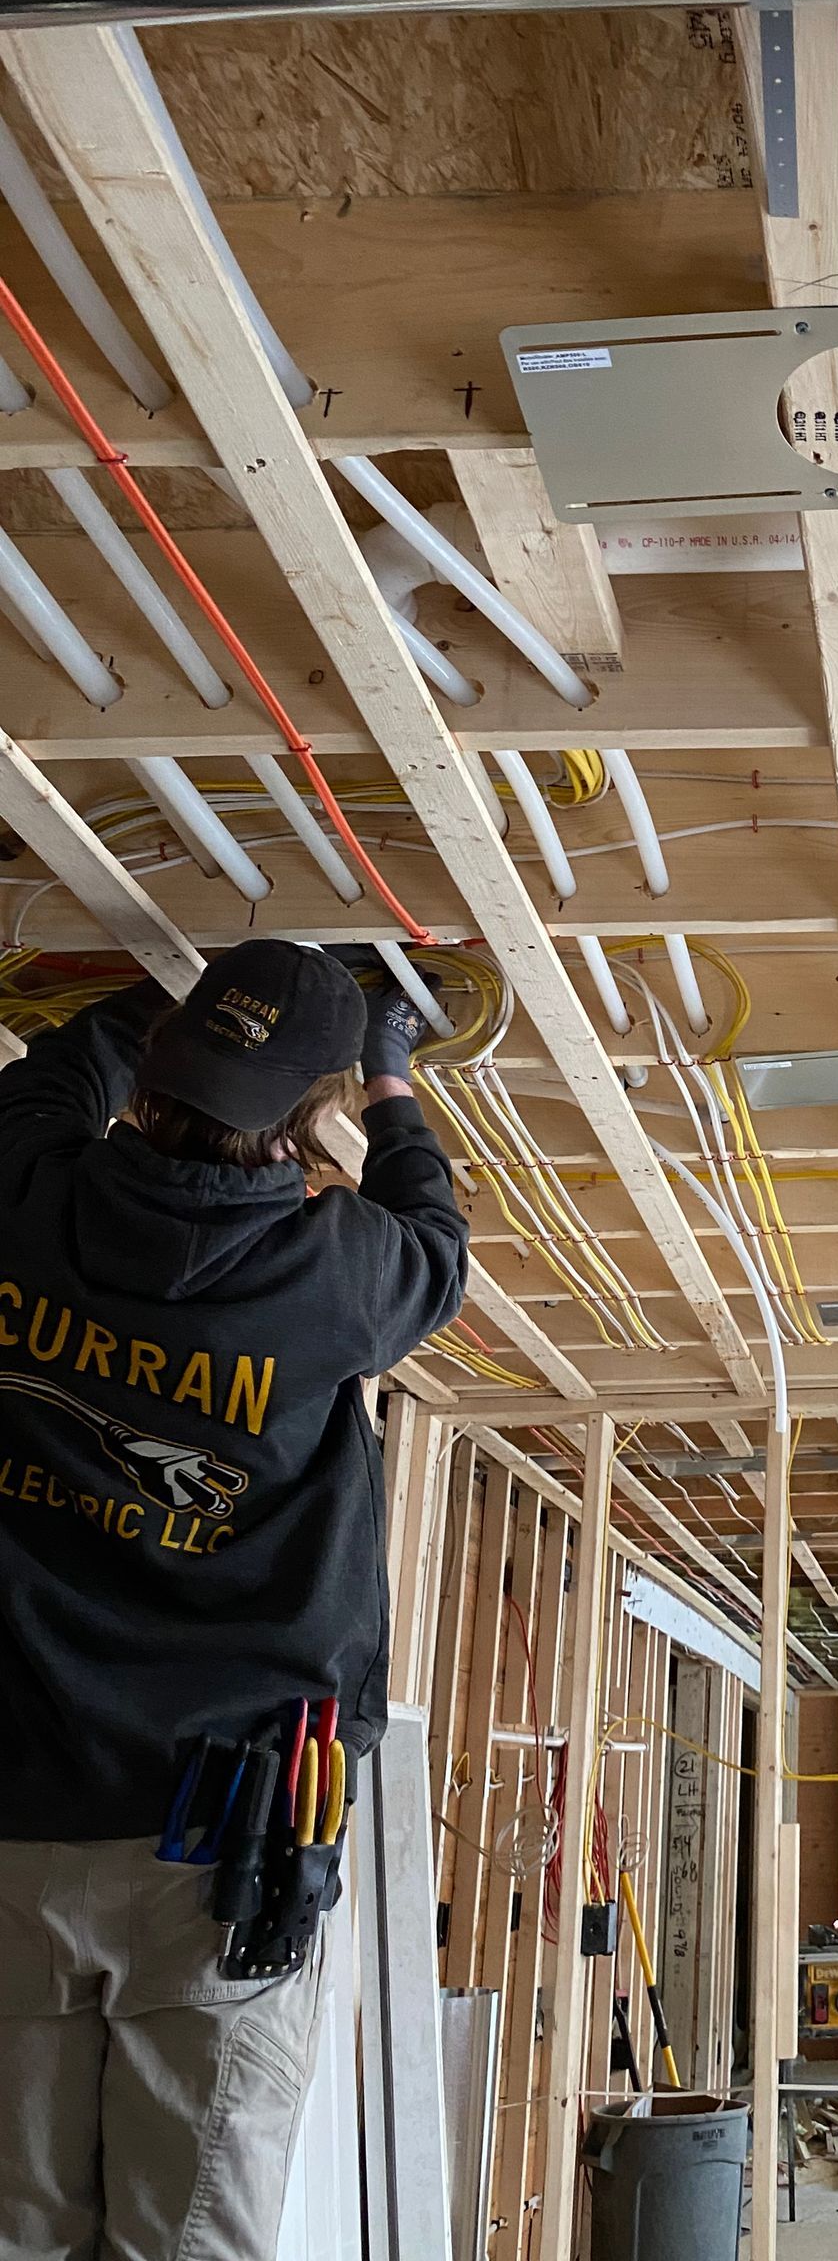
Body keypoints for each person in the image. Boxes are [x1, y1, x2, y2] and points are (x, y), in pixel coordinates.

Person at [0, 938, 468, 2261]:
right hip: (228, 1841)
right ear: (306, 1117)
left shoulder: (25, 1197)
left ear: (153, 1072)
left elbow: (42, 1082)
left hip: (26, 1818)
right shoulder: (333, 1275)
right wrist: (394, 1078)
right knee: (190, 2235)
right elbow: (437, 1234)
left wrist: (167, 990)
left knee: (20, 2229)